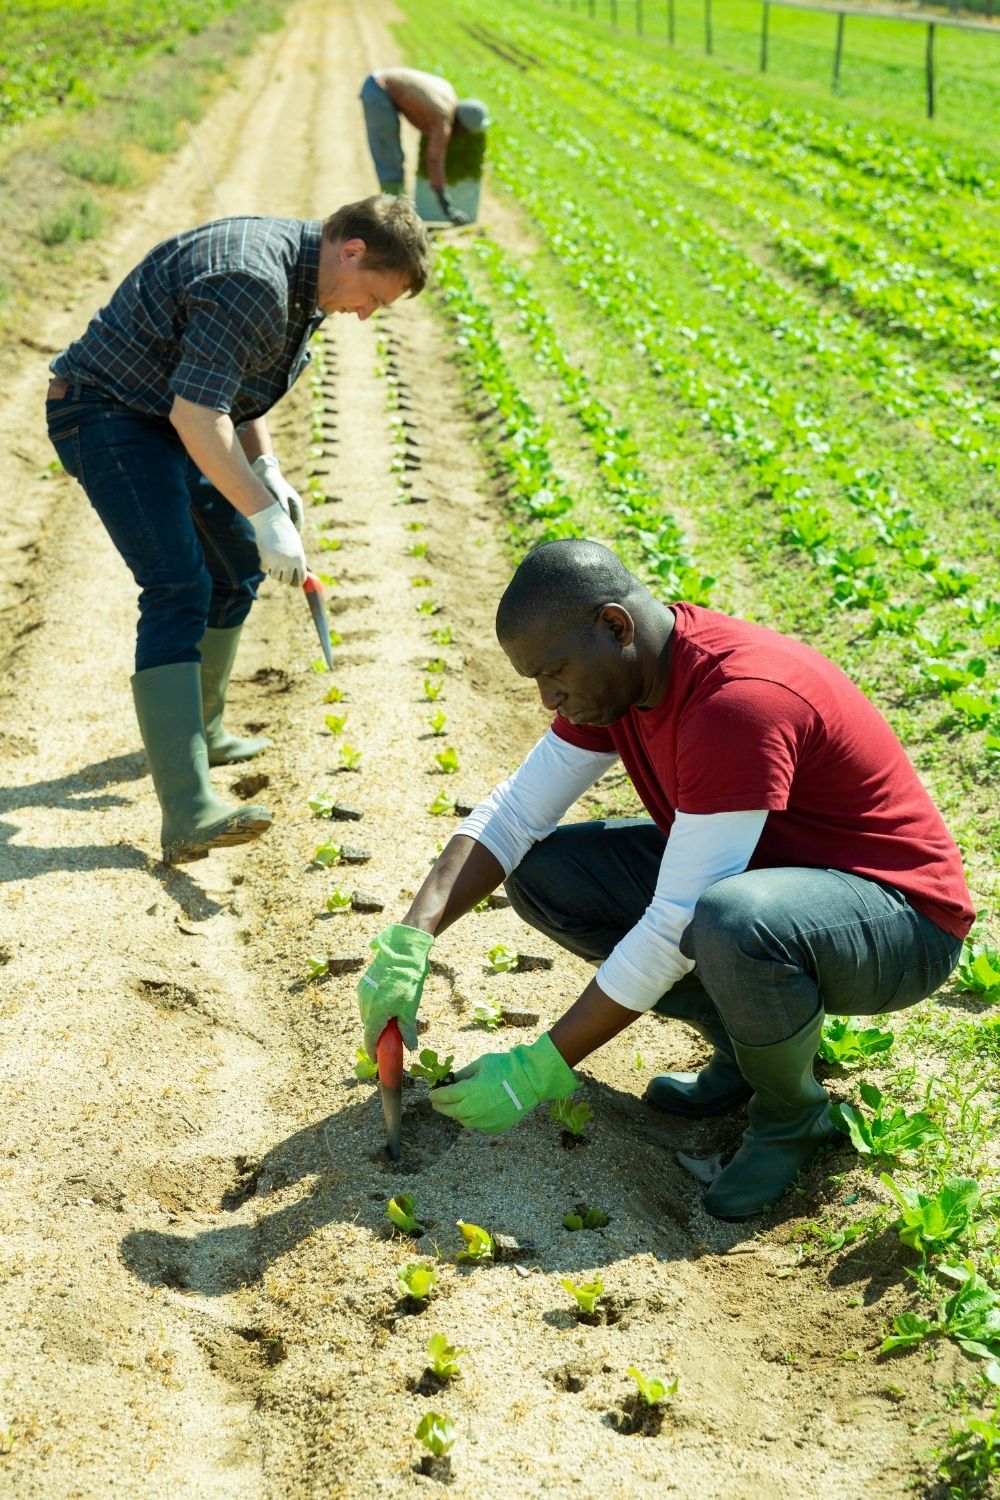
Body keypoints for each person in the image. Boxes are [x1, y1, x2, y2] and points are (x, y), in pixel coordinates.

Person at [357, 539, 973, 1221]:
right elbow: (514, 816)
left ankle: (791, 1117)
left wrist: (540, 1066)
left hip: (897, 922)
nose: (548, 697)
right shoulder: (623, 682)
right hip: (781, 883)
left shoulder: (733, 703)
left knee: (729, 921)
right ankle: (746, 1055)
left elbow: (676, 920)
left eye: (554, 672)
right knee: (547, 875)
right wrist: (412, 937)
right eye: (536, 680)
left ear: (616, 626)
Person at [46, 196, 429, 866]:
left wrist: (268, 472)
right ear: (354, 251)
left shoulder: (306, 282)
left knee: (234, 566)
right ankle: (188, 811)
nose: (366, 315)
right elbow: (199, 417)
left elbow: (231, 392)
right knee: (177, 586)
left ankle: (208, 728)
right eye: (374, 298)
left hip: (163, 416)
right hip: (106, 412)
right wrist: (260, 512)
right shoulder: (255, 281)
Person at [359, 67, 489, 225]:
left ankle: (397, 208)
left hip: (381, 81)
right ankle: (392, 216)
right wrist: (446, 205)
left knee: (394, 156)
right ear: (461, 126)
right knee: (389, 155)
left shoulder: (448, 96)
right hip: (379, 89)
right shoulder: (443, 122)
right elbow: (434, 161)